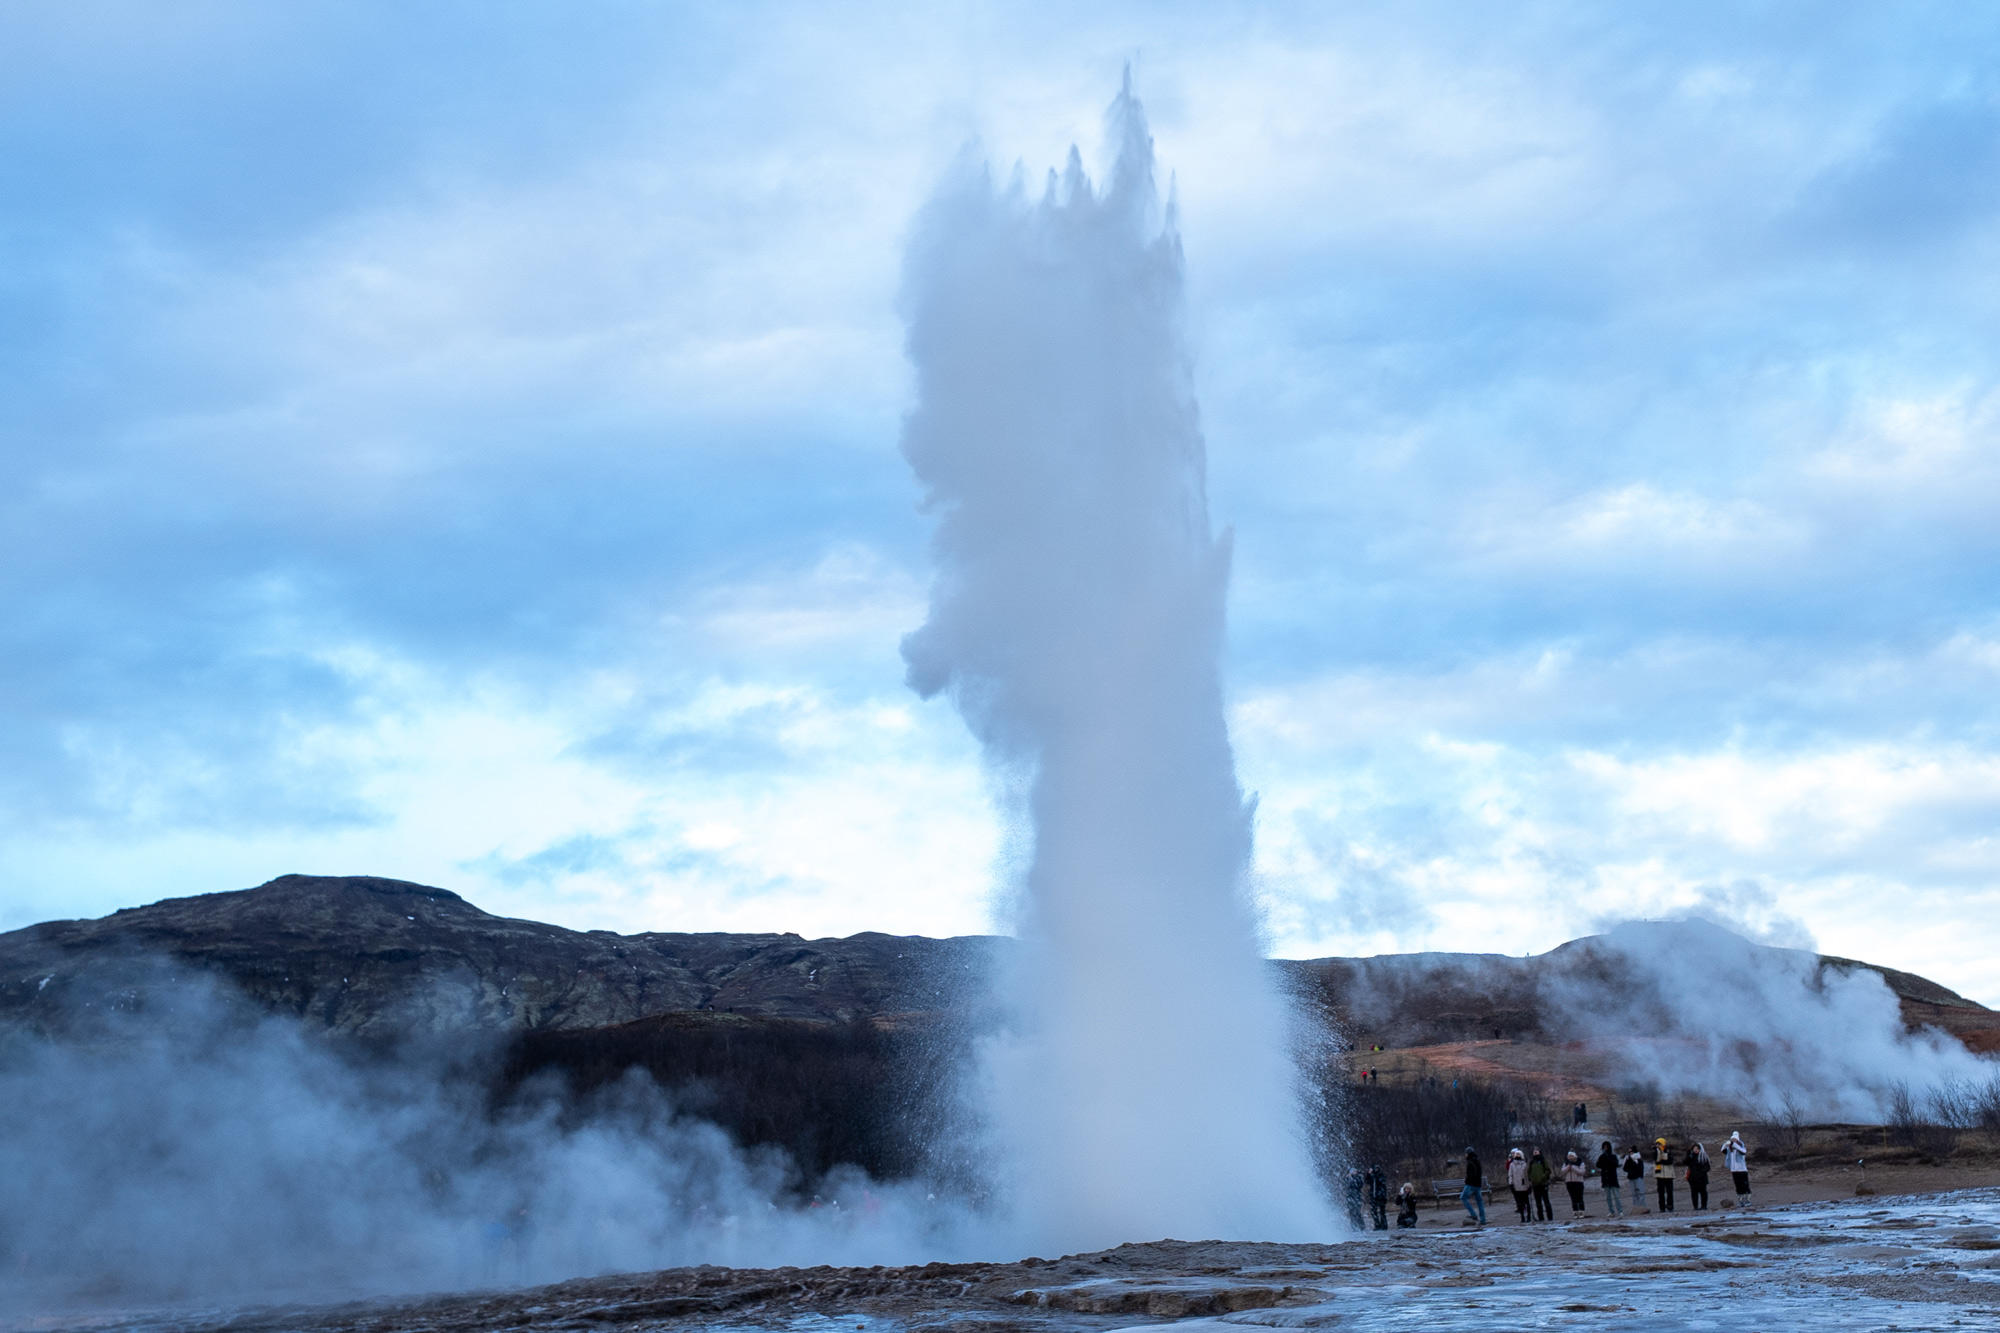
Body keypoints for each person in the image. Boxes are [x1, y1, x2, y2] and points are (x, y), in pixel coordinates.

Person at [1724, 1132, 1752, 1208]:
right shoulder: (1730, 1150)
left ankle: (1747, 1200)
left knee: (1745, 1185)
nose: (1733, 1141)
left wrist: (1735, 1145)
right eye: (1732, 1139)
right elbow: (1723, 1150)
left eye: (1735, 1139)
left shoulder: (1741, 1147)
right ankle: (1740, 1200)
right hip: (1734, 1170)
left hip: (1742, 1170)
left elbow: (1744, 1151)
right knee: (1738, 1186)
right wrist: (1726, 1144)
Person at [1596, 1140, 1624, 1216]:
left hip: (1613, 1179)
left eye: (1606, 1147)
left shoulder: (1613, 1156)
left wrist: (1608, 1159)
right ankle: (1611, 1211)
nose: (1605, 1149)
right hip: (1605, 1179)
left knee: (1616, 1196)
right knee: (1608, 1197)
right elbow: (1598, 1165)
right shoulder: (1601, 1157)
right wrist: (1603, 1158)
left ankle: (1620, 1211)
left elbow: (1615, 1164)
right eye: (1603, 1147)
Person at [1460, 1147, 1487, 1226]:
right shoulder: (1477, 1161)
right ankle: (1483, 1220)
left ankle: (1473, 1213)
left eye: (1466, 1154)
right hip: (1478, 1184)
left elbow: (1470, 1174)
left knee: (1463, 1197)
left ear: (1468, 1154)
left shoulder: (1470, 1162)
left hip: (1471, 1184)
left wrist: (1467, 1181)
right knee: (1479, 1202)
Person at [1527, 1147, 1554, 1222]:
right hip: (1535, 1184)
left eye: (1536, 1151)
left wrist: (1543, 1177)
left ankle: (1550, 1217)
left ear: (1540, 1152)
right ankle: (1541, 1217)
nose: (1535, 1152)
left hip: (1543, 1183)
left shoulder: (1543, 1160)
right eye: (1534, 1151)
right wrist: (1531, 1178)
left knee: (1546, 1200)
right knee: (1538, 1202)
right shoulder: (1532, 1162)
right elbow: (1529, 1172)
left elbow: (1548, 1170)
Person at [1506, 1148, 1531, 1222]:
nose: (1517, 1155)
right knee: (1519, 1202)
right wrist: (1511, 1184)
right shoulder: (1512, 1165)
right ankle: (1522, 1216)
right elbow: (1510, 1175)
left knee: (1527, 1202)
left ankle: (1528, 1216)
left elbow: (1527, 1176)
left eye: (1518, 1154)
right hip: (1516, 1185)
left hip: (1524, 1186)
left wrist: (1529, 1185)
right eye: (1516, 1154)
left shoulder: (1524, 1164)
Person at [1562, 1150, 1589, 1217]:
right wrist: (1568, 1167)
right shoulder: (1566, 1163)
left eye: (1571, 1156)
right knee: (1573, 1197)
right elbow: (1562, 1171)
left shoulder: (1580, 1163)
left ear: (1575, 1156)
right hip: (1569, 1182)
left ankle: (1581, 1211)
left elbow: (1582, 1172)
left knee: (1579, 1197)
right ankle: (1575, 1211)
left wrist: (1573, 1168)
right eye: (1569, 1156)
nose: (1570, 1157)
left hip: (1578, 1182)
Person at [1653, 1138, 1677, 1212]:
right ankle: (1662, 1207)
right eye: (1657, 1144)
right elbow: (1656, 1160)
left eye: (1659, 1144)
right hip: (1659, 1175)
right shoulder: (1655, 1152)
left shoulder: (1668, 1151)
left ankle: (1670, 1206)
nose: (1658, 1145)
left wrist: (1662, 1161)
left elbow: (1670, 1161)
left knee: (1669, 1192)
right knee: (1661, 1193)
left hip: (1669, 1175)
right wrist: (1658, 1152)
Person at [1686, 1142, 1711, 1211]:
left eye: (1697, 1148)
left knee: (1703, 1192)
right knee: (1694, 1193)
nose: (1696, 1150)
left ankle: (1704, 1206)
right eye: (1694, 1148)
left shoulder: (1703, 1156)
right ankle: (1695, 1206)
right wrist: (1688, 1155)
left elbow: (1708, 1167)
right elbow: (1685, 1163)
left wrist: (1701, 1172)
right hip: (1692, 1178)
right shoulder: (1690, 1157)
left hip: (1701, 1178)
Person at [1624, 1145, 1648, 1212]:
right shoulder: (1628, 1160)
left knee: (1641, 1193)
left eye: (1631, 1152)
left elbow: (1638, 1168)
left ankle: (1643, 1208)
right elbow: (1625, 1169)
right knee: (1634, 1195)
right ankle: (1636, 1209)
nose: (1630, 1153)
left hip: (1638, 1178)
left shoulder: (1638, 1159)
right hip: (1631, 1179)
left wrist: (1630, 1161)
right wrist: (1627, 1161)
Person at [1368, 1164, 1390, 1231]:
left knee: (1382, 1211)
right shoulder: (1372, 1176)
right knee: (1373, 1211)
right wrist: (1369, 1174)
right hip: (1374, 1196)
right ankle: (1377, 1224)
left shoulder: (1381, 1175)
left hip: (1381, 1196)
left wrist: (1374, 1176)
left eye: (1377, 1169)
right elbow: (1367, 1181)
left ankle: (1384, 1225)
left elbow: (1380, 1182)